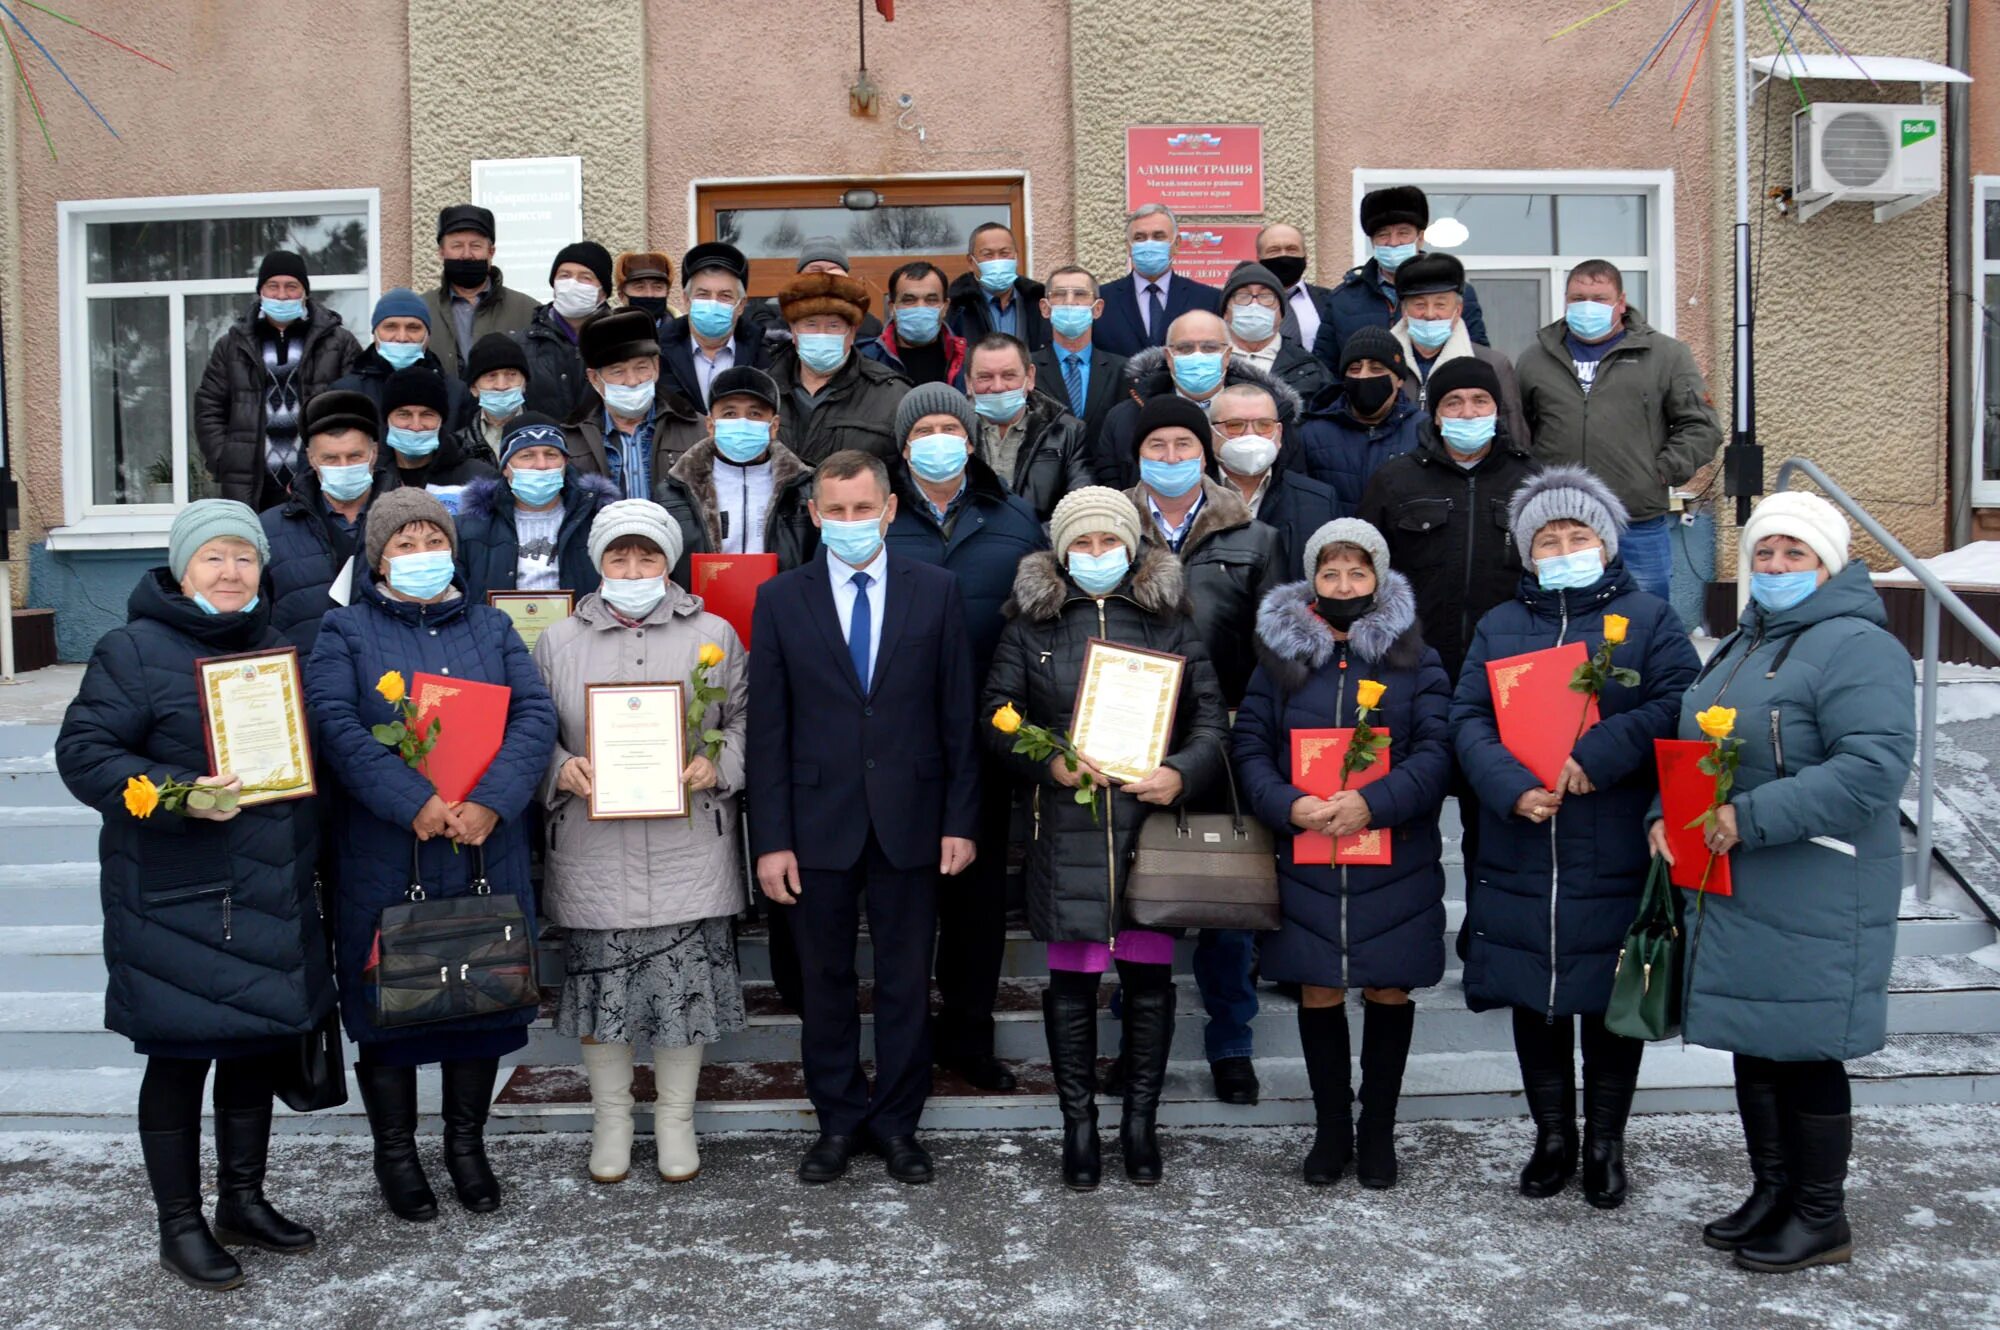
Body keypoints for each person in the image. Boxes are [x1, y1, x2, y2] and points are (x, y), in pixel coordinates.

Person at [56, 500, 335, 1291]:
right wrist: (179, 794)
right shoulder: (132, 650)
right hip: (180, 897)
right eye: (212, 557)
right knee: (181, 1060)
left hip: (270, 887)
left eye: (244, 558)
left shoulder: (278, 649)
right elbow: (85, 753)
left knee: (252, 1047)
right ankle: (178, 1223)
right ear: (182, 569)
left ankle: (241, 1200)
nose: (230, 571)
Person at [1652, 492, 1914, 1274]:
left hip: (1817, 877)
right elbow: (1697, 749)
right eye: (1764, 553)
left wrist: (1748, 816)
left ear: (1829, 563)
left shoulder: (1855, 647)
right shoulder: (1744, 642)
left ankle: (1819, 1214)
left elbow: (1871, 771)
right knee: (1757, 1043)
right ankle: (1772, 1192)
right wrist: (1673, 817)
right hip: (1740, 877)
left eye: (1794, 554)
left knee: (1805, 1050)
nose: (1774, 567)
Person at [305, 487, 556, 1223]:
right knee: (393, 1002)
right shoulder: (344, 632)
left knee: (478, 1000)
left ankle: (466, 1147)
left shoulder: (491, 626)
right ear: (378, 557)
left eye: (431, 540)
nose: (421, 555)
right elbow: (335, 722)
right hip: (390, 850)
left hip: (483, 845)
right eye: (404, 544)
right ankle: (397, 1155)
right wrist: (409, 800)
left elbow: (533, 714)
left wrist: (492, 800)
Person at [1451, 467, 1699, 1210]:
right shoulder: (1499, 626)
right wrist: (1508, 786)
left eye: (1577, 535)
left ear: (1606, 541)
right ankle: (1552, 1136)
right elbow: (1467, 718)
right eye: (1548, 539)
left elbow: (1681, 703)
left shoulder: (1649, 618)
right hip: (1525, 839)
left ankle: (1605, 1143)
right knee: (1537, 996)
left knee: (1607, 996)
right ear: (1527, 553)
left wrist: (1600, 754)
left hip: (1612, 838)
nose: (1563, 548)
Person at [746, 450, 980, 1185]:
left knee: (908, 979)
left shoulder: (937, 591)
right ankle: (839, 1119)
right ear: (814, 514)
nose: (848, 523)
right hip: (817, 823)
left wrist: (961, 821)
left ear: (888, 510)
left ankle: (899, 1125)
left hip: (912, 819)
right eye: (834, 510)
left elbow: (958, 719)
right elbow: (768, 731)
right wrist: (772, 840)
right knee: (825, 980)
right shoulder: (782, 600)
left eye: (862, 509)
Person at [982, 487, 1227, 1187]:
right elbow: (995, 714)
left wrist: (1181, 774)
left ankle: (1140, 1124)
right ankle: (1080, 1127)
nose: (1097, 556)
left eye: (1109, 543)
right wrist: (1050, 761)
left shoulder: (1170, 623)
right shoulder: (1030, 628)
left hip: (1149, 834)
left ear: (1132, 547)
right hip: (1067, 833)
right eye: (1082, 544)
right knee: (1072, 984)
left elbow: (1210, 721)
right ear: (1061, 553)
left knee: (1150, 981)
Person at [532, 500, 751, 1186]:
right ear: (598, 564)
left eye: (647, 557)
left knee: (682, 990)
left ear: (669, 562)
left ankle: (677, 1119)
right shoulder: (557, 642)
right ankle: (613, 1119)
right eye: (618, 558)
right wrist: (558, 768)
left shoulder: (713, 633)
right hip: (594, 845)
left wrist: (719, 765)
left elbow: (746, 719)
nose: (633, 569)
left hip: (689, 841)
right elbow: (531, 731)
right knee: (606, 993)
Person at [1233, 519, 1452, 1188]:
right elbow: (1250, 749)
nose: (1344, 584)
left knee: (1389, 986)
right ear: (1311, 582)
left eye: (1358, 572)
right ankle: (1332, 1131)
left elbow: (1436, 752)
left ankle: (1377, 1131)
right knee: (1318, 985)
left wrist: (1375, 804)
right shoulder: (1280, 662)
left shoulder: (1419, 659)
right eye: (1330, 573)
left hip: (1395, 854)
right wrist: (1286, 805)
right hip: (1308, 851)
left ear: (1379, 580)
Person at [883, 383, 1047, 1092]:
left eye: (953, 426)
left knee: (976, 904)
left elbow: (1038, 620)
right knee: (905, 899)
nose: (940, 440)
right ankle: (906, 1041)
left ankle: (968, 1037)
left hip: (984, 734)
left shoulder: (1013, 517)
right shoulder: (877, 517)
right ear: (903, 445)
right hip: (893, 736)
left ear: (973, 439)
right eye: (926, 430)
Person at [1124, 393, 1282, 1106]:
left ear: (1205, 452)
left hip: (1224, 738)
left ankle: (1232, 1043)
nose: (1170, 458)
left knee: (1226, 899)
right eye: (1156, 447)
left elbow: (1276, 644)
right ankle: (1136, 1042)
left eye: (1182, 446)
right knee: (1139, 900)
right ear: (1137, 456)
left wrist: (1250, 721)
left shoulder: (1253, 534)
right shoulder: (1109, 529)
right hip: (1132, 740)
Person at [1356, 356, 1539, 935]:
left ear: (1497, 410)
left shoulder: (1533, 478)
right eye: (1453, 404)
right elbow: (1367, 579)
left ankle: (1486, 939)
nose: (1466, 414)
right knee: (1409, 811)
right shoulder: (1395, 479)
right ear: (1434, 414)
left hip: (1509, 678)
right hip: (1417, 672)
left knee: (1497, 819)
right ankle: (1404, 937)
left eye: (1478, 403)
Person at [1514, 260, 1722, 602]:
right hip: (1559, 523)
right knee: (1560, 617)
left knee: (1642, 619)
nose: (1587, 306)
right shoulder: (1535, 359)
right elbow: (1520, 430)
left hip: (1636, 521)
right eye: (1578, 298)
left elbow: (1701, 427)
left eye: (1599, 298)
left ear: (1621, 302)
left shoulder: (1666, 355)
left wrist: (1660, 472)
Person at [194, 249, 361, 509]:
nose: (282, 295)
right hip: (251, 486)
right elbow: (209, 406)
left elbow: (358, 407)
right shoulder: (232, 345)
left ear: (305, 292)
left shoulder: (339, 342)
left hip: (321, 481)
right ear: (260, 291)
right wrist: (223, 458)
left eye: (291, 287)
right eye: (273, 286)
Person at [1093, 309, 1307, 490]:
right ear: (1168, 357)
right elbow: (1112, 494)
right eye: (1185, 349)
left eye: (1209, 348)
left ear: (1227, 356)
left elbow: (1289, 488)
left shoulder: (1269, 414)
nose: (1197, 356)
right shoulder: (1124, 418)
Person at [654, 366, 820, 586]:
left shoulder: (803, 488)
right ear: (711, 425)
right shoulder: (674, 492)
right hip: (698, 614)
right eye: (729, 413)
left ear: (774, 426)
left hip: (782, 611)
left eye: (755, 414)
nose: (742, 423)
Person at [260, 390, 389, 655]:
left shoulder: (410, 523)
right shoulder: (269, 530)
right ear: (311, 458)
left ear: (374, 453)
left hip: (391, 682)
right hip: (306, 680)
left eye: (354, 456)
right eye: (330, 459)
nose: (343, 466)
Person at [1312, 186, 1490, 369]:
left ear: (1420, 237)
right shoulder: (1343, 299)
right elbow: (1324, 368)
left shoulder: (1455, 291)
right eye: (1383, 235)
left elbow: (1477, 354)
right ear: (1372, 241)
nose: (1394, 242)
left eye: (1403, 233)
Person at [455, 413, 620, 603]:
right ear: (506, 467)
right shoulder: (470, 528)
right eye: (527, 456)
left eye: (551, 455)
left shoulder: (597, 520)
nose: (541, 465)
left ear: (565, 463)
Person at [767, 272, 912, 465]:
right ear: (793, 331)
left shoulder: (892, 395)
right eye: (811, 325)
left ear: (851, 333)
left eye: (833, 326)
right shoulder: (764, 391)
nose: (821, 334)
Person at [565, 307, 708, 499]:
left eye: (641, 367)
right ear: (595, 378)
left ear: (656, 366)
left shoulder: (698, 430)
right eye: (617, 371)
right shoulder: (570, 440)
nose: (632, 381)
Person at [1387, 253, 1529, 446]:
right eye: (1419, 305)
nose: (1430, 314)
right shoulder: (1382, 365)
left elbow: (1515, 440)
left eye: (1440, 304)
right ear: (1404, 312)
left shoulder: (1491, 365)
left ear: (1458, 311)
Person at [1208, 382, 1338, 580]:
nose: (1250, 435)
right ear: (1212, 433)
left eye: (1264, 425)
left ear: (1279, 433)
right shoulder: (1188, 498)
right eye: (1235, 425)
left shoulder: (1319, 501)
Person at [964, 333, 1092, 520]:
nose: (998, 386)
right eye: (985, 377)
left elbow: (1079, 508)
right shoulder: (951, 432)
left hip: (1041, 545)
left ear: (1030, 376)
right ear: (968, 382)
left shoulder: (1066, 432)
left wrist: (1031, 541)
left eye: (1009, 375)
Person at [1299, 328, 1425, 516]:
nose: (1364, 376)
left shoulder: (1424, 431)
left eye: (1376, 369)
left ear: (1399, 379)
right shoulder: (1312, 434)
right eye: (1355, 369)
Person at [330, 287, 472, 432]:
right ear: (375, 332)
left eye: (413, 328)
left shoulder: (455, 393)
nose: (402, 338)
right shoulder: (345, 392)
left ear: (428, 336)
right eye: (391, 327)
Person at [421, 205, 539, 378]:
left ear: (491, 252)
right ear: (441, 252)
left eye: (475, 246)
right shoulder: (421, 311)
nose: (466, 255)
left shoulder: (528, 310)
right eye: (457, 245)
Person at [1093, 204, 1223, 357]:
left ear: (1176, 244)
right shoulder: (1102, 299)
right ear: (1129, 246)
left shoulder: (1209, 299)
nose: (1149, 244)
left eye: (1158, 237)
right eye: (1139, 238)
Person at [1031, 265, 1129, 459]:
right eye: (1059, 294)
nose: (1070, 302)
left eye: (1080, 294)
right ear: (1045, 308)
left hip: (1105, 483)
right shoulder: (1027, 368)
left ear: (1098, 308)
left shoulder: (1123, 370)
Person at [660, 242, 769, 408]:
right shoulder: (659, 353)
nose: (713, 303)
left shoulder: (765, 355)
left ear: (740, 305)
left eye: (725, 296)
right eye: (703, 295)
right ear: (686, 300)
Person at [375, 366, 498, 511]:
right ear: (387, 420)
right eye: (404, 414)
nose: (416, 426)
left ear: (441, 421)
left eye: (427, 414)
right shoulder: (371, 478)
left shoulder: (477, 478)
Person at [516, 241, 612, 423]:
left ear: (603, 292)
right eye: (564, 275)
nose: (572, 284)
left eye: (585, 277)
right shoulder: (523, 344)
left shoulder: (620, 340)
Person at [1220, 262, 1332, 404]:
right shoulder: (1209, 363)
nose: (1255, 304)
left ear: (1281, 314)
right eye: (1243, 295)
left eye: (1266, 296)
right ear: (1225, 312)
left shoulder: (1309, 369)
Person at [739, 242, 887, 348]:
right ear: (800, 277)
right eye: (816, 271)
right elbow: (768, 338)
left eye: (833, 271)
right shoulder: (770, 312)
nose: (824, 277)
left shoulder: (868, 322)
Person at [947, 221, 1050, 350]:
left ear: (1016, 257)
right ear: (970, 262)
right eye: (988, 255)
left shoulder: (1038, 302)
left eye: (1004, 253)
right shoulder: (957, 308)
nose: (997, 260)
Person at [878, 261, 968, 388]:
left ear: (945, 307)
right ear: (892, 308)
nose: (920, 307)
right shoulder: (868, 359)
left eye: (931, 300)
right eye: (909, 300)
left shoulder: (966, 360)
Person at [452, 332, 533, 467]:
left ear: (524, 384)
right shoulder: (457, 444)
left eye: (511, 374)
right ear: (474, 388)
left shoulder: (549, 436)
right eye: (491, 376)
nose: (501, 386)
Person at [1255, 222, 1338, 353]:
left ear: (1306, 257)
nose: (1283, 256)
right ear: (1259, 259)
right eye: (1274, 250)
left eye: (1291, 249)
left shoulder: (1332, 300)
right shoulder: (1243, 304)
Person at [613, 250, 674, 323]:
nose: (649, 294)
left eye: (658, 287)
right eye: (640, 287)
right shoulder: (604, 332)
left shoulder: (685, 331)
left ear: (667, 294)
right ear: (621, 295)